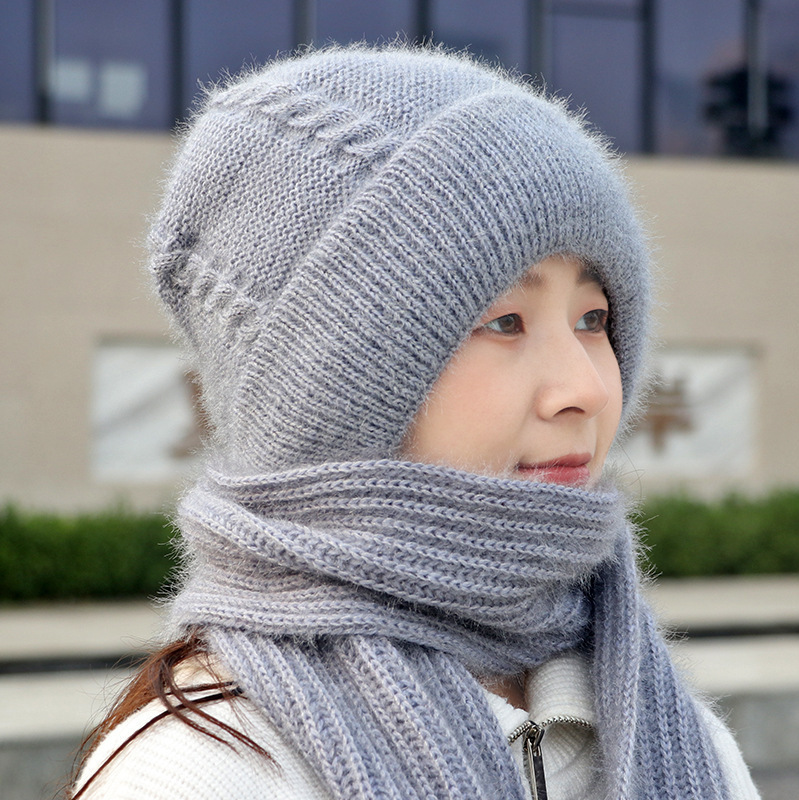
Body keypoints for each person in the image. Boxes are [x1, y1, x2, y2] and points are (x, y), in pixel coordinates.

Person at [70, 45, 760, 799]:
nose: (587, 390)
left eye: (592, 318)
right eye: (504, 322)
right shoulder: (202, 776)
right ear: (331, 389)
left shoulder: (673, 741)